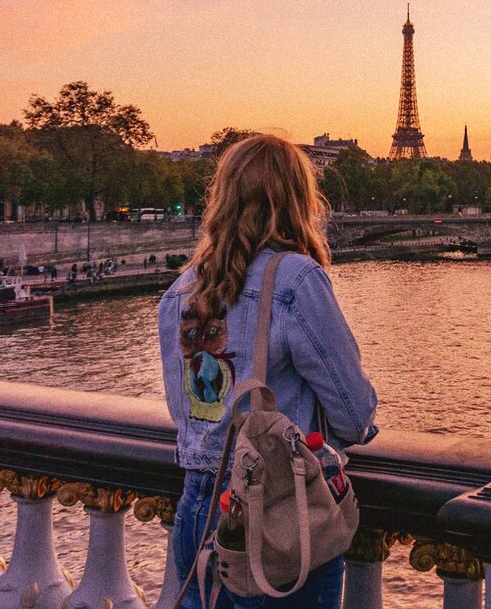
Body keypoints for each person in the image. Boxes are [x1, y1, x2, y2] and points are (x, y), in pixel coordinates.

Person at [159, 134, 377, 609]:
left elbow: (188, 415)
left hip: (197, 508)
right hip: (278, 513)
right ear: (299, 201)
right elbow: (355, 416)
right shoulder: (295, 279)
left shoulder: (178, 291)